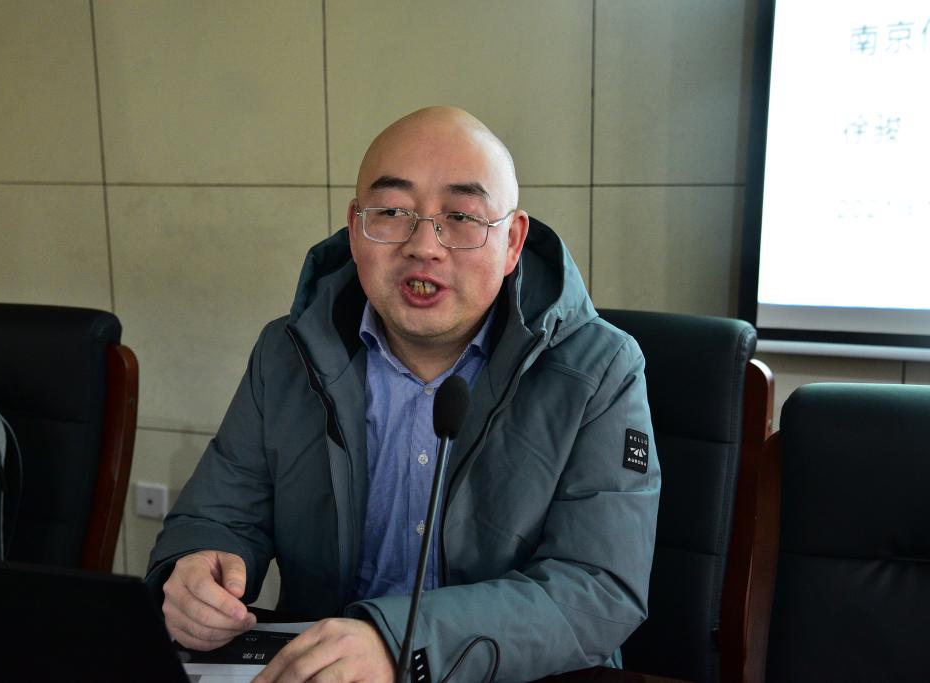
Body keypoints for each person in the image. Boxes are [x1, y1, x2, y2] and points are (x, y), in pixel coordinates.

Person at [147, 106, 661, 683]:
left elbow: (598, 589)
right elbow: (217, 515)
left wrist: (401, 644)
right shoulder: (287, 352)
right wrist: (195, 569)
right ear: (355, 227)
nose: (424, 247)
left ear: (513, 241)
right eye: (392, 212)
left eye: (461, 216)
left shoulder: (601, 369)